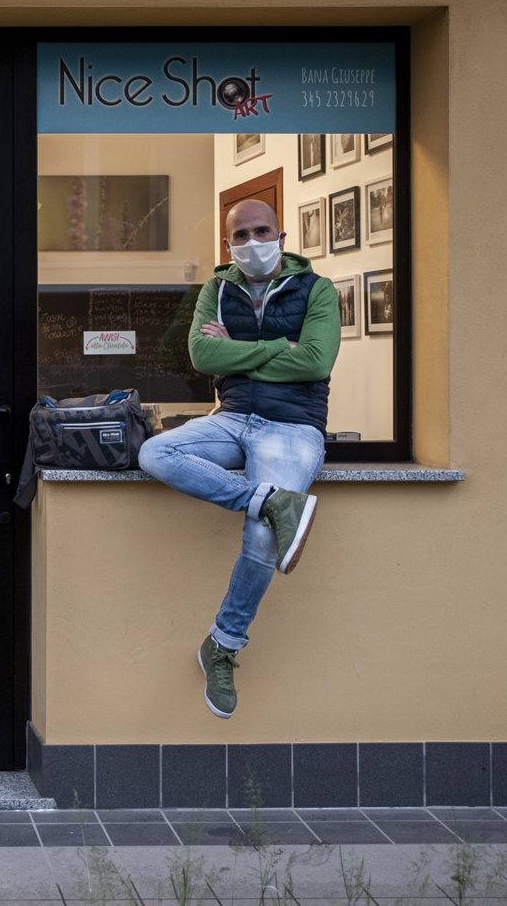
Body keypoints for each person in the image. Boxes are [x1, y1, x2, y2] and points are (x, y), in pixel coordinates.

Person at [137, 199, 341, 719]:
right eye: (240, 235)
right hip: (229, 419)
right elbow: (202, 357)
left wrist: (246, 352)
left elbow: (316, 361)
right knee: (156, 450)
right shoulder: (217, 288)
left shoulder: (317, 290)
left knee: (263, 537)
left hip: (293, 426)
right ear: (228, 243)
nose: (252, 242)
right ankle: (268, 500)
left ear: (282, 233)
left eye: (261, 231)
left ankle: (223, 644)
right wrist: (282, 349)